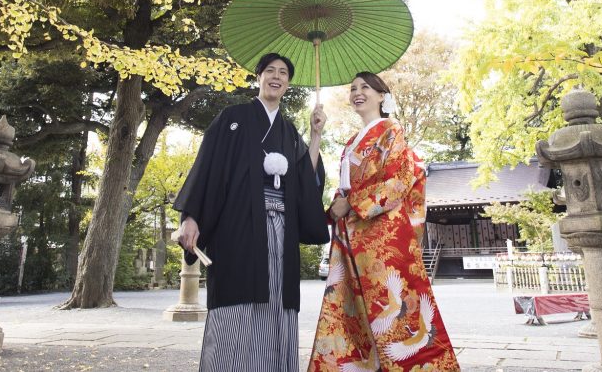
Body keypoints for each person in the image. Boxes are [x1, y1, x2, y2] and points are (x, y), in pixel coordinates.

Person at [173, 52, 330, 372]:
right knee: (236, 298)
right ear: (258, 77)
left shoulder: (288, 130)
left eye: (283, 72)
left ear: (288, 82)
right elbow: (208, 169)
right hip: (238, 229)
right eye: (270, 70)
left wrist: (315, 135)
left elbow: (303, 182)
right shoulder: (233, 118)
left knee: (276, 302)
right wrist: (191, 217)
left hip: (281, 231)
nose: (277, 76)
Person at [308, 72, 459, 372]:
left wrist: (350, 203)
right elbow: (344, 188)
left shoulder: (391, 131)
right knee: (351, 309)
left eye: (365, 87)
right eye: (352, 89)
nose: (356, 93)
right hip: (351, 233)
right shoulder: (351, 142)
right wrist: (337, 206)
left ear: (382, 96)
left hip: (382, 236)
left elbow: (397, 181)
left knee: (396, 310)